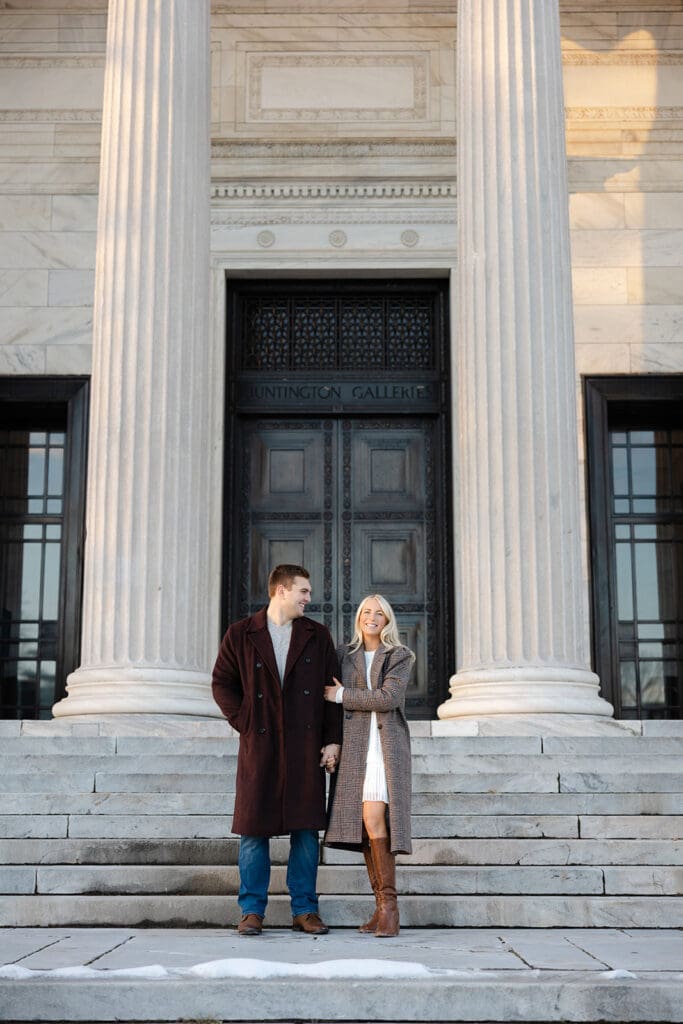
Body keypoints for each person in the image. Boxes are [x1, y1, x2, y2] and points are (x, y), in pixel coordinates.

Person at [211, 564, 342, 936]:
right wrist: (245, 720)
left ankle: (305, 909)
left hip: (305, 744)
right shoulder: (241, 634)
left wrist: (332, 740)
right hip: (261, 744)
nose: (309, 598)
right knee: (254, 831)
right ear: (281, 591)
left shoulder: (317, 635)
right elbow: (222, 683)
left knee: (305, 831)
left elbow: (332, 694)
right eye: (303, 591)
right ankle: (251, 910)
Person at [323, 594, 414, 937]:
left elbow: (390, 699)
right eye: (366, 612)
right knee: (364, 823)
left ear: (388, 621)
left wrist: (344, 695)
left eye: (379, 613)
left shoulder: (399, 656)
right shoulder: (343, 656)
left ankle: (390, 907)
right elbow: (328, 700)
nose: (372, 618)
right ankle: (381, 908)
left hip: (384, 746)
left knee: (375, 817)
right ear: (359, 617)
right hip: (355, 747)